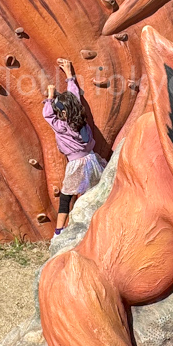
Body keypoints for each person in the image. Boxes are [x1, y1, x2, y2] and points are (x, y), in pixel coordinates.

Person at [43, 58, 107, 236]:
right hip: (92, 160)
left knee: (66, 197)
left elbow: (47, 115)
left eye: (59, 111)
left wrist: (50, 95)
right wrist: (70, 75)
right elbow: (75, 97)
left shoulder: (61, 126)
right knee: (91, 195)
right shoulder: (80, 120)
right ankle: (92, 226)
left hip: (77, 165)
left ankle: (59, 231)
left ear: (63, 113)